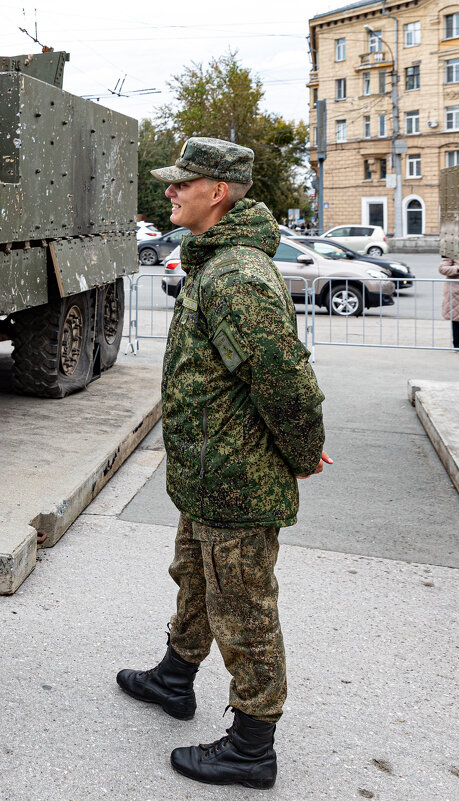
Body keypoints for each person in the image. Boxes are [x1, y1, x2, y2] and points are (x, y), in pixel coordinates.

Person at [116, 137, 330, 790]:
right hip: (210, 473)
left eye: (184, 183)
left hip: (236, 480)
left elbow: (286, 381)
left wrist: (301, 449)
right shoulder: (215, 262)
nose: (171, 192)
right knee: (197, 579)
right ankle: (176, 678)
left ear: (219, 192)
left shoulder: (236, 273)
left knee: (245, 608)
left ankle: (251, 744)